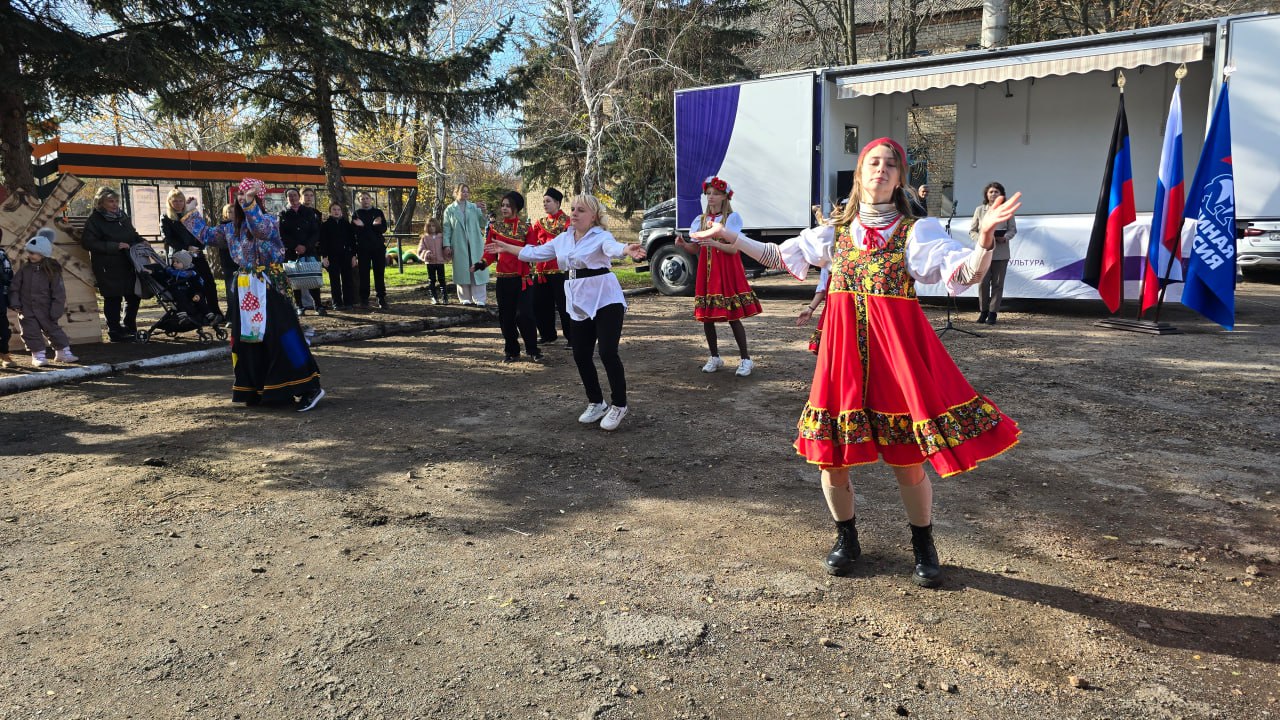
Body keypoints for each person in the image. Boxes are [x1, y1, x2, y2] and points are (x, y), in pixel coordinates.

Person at [692, 137, 1021, 587]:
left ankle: (923, 542)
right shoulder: (835, 233)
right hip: (843, 359)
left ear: (900, 178)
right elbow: (778, 256)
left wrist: (984, 240)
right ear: (859, 174)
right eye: (872, 162)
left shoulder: (916, 232)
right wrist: (734, 238)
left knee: (906, 460)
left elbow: (963, 275)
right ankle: (846, 538)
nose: (880, 170)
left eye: (890, 164)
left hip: (894, 361)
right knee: (832, 459)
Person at [485, 194, 646, 431]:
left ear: (593, 216)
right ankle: (596, 402)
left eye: (581, 210)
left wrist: (626, 249)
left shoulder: (601, 236)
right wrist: (505, 247)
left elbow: (612, 248)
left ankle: (619, 404)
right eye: (572, 209)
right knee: (581, 354)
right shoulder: (563, 239)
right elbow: (534, 253)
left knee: (607, 352)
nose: (574, 213)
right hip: (578, 299)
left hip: (605, 296)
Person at [183, 177, 324, 411]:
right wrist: (191, 213)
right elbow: (207, 235)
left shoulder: (270, 220)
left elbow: (259, 230)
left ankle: (309, 386)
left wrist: (250, 205)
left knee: (283, 335)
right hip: (246, 286)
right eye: (240, 195)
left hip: (271, 285)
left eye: (248, 195)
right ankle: (260, 388)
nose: (242, 198)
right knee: (247, 338)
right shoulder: (231, 227)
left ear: (258, 198)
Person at [674, 176, 761, 376]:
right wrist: (683, 245)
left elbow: (734, 249)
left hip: (726, 271)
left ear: (724, 197)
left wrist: (716, 244)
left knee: (733, 316)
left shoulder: (731, 219)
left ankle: (746, 359)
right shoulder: (701, 221)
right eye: (708, 194)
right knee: (707, 318)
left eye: (716, 194)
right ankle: (714, 356)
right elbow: (695, 248)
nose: (711, 197)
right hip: (707, 273)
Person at [477, 191, 540, 362]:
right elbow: (489, 252)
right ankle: (511, 350)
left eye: (507, 205)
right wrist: (481, 263)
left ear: (516, 208)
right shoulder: (494, 228)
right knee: (506, 317)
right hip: (503, 279)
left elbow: (533, 251)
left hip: (523, 279)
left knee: (525, 315)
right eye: (502, 205)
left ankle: (533, 349)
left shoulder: (527, 228)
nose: (504, 208)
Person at [81, 187, 145, 342]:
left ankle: (129, 326)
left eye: (116, 201)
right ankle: (115, 331)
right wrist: (113, 246)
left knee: (134, 295)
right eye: (111, 201)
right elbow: (88, 242)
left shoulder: (122, 216)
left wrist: (141, 240)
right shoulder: (94, 220)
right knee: (113, 298)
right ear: (101, 203)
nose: (115, 204)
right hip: (107, 265)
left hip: (128, 262)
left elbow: (132, 234)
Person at [9, 229, 77, 367]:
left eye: (33, 253)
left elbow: (58, 292)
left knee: (54, 331)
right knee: (30, 332)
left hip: (46, 309)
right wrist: (15, 303)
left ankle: (63, 352)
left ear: (43, 253)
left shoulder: (52, 271)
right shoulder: (24, 269)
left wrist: (56, 310)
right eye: (29, 252)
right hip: (26, 309)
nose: (30, 255)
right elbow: (14, 287)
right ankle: (38, 355)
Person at [161, 189, 222, 320]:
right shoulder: (166, 217)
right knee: (191, 286)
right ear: (169, 202)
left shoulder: (189, 215)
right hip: (181, 258)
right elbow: (168, 238)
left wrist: (199, 247)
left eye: (180, 200)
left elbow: (201, 232)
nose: (178, 203)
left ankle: (215, 312)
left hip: (197, 255)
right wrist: (186, 248)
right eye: (175, 201)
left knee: (209, 283)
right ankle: (197, 313)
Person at [970, 181, 1017, 325]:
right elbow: (973, 230)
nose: (993, 194)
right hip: (983, 252)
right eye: (991, 192)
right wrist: (983, 238)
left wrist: (1005, 237)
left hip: (1000, 252)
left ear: (1001, 194)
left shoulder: (1007, 210)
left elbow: (1012, 230)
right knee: (982, 283)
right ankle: (983, 311)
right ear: (986, 194)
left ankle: (992, 313)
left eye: (996, 192)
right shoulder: (979, 210)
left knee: (997, 284)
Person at [530, 188, 571, 347]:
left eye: (548, 201)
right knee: (539, 304)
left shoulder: (567, 221)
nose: (545, 204)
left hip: (561, 269)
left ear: (557, 203)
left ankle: (572, 337)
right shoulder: (539, 223)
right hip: (541, 270)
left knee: (564, 305)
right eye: (544, 201)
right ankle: (547, 334)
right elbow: (532, 243)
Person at [280, 188, 325, 315]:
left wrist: (306, 246)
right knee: (295, 279)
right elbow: (282, 234)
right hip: (292, 252)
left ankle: (318, 305)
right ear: (286, 198)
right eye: (290, 196)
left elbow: (315, 231)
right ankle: (299, 305)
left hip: (309, 250)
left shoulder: (309, 212)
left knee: (313, 277)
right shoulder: (283, 213)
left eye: (295, 195)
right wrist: (295, 246)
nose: (293, 198)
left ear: (299, 197)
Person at [141, 250, 217, 323]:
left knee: (199, 298)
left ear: (185, 263)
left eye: (177, 262)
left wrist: (197, 294)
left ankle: (209, 314)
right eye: (174, 261)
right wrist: (152, 272)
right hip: (178, 292)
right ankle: (183, 315)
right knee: (179, 296)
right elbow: (162, 276)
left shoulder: (192, 273)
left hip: (191, 291)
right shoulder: (171, 272)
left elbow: (198, 284)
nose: (174, 264)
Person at [442, 183, 488, 306]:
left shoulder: (474, 207)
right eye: (463, 191)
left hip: (475, 244)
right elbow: (447, 229)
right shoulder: (449, 210)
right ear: (456, 192)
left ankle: (480, 299)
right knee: (462, 270)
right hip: (458, 245)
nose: (466, 193)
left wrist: (484, 212)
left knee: (477, 269)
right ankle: (465, 297)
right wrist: (446, 245)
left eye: (467, 191)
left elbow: (483, 223)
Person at [352, 192, 389, 310]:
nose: (365, 201)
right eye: (362, 199)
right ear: (359, 201)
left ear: (371, 200)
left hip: (378, 247)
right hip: (363, 248)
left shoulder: (378, 212)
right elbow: (354, 232)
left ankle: (381, 298)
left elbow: (383, 229)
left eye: (367, 198)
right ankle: (364, 299)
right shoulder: (357, 214)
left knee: (379, 273)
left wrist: (375, 225)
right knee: (364, 274)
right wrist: (363, 227)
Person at [319, 202, 359, 311]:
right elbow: (323, 242)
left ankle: (348, 302)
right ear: (330, 212)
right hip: (332, 256)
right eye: (334, 210)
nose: (336, 211)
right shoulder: (326, 225)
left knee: (347, 280)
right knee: (334, 280)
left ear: (341, 211)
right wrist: (325, 257)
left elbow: (352, 241)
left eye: (338, 209)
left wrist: (353, 256)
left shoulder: (346, 224)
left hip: (346, 255)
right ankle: (337, 302)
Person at [417, 217, 448, 305]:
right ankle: (434, 298)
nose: (432, 228)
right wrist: (427, 254)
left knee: (442, 279)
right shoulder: (424, 238)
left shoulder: (442, 237)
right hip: (430, 262)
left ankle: (445, 298)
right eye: (430, 226)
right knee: (432, 280)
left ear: (437, 226)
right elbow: (420, 249)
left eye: (433, 226)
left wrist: (447, 251)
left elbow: (446, 247)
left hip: (440, 262)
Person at [0, 229, 14, 368]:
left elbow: (9, 278)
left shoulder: (2, 256)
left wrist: (8, 298)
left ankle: (4, 353)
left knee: (3, 330)